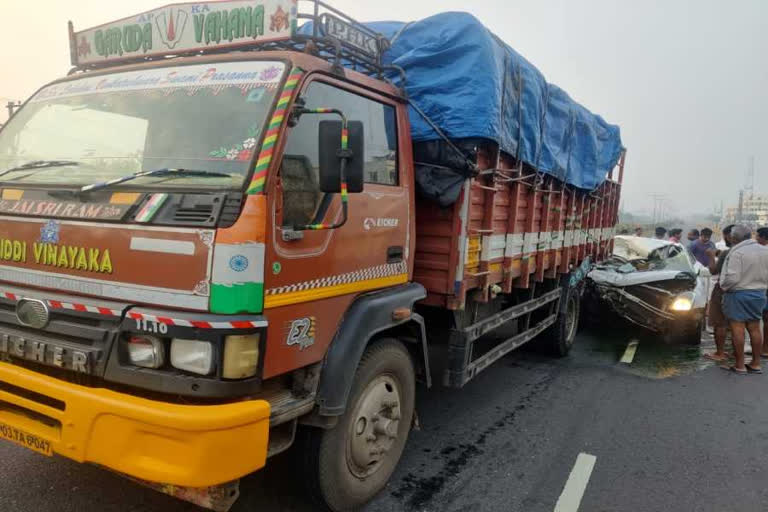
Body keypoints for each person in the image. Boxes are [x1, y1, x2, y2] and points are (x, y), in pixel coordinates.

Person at [719, 225, 768, 374]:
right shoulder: (764, 250)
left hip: (738, 294)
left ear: (733, 238)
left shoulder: (737, 252)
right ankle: (755, 364)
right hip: (759, 293)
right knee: (754, 327)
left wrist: (723, 287)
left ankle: (739, 365)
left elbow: (732, 278)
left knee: (737, 328)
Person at [703, 224, 734, 362]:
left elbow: (713, 270)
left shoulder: (728, 253)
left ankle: (720, 353)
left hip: (724, 290)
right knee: (741, 324)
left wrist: (710, 256)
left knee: (719, 323)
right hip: (750, 292)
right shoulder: (756, 250)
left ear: (729, 236)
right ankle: (742, 357)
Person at [758, 227, 768, 359]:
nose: (756, 239)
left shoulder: (764, 251)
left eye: (758, 237)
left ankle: (765, 348)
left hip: (764, 287)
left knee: (765, 318)